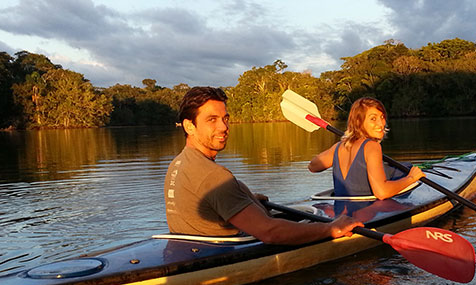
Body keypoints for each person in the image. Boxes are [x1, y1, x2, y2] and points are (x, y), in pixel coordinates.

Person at [164, 86, 362, 244]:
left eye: (225, 118)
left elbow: (214, 196)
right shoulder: (214, 177)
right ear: (189, 125)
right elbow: (270, 232)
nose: (223, 127)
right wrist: (332, 228)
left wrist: (245, 198)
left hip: (189, 244)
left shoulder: (178, 163)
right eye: (212, 120)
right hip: (218, 253)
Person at [308, 97, 425, 200]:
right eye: (373, 119)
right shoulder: (372, 147)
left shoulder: (338, 147)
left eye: (382, 117)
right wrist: (411, 178)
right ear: (358, 122)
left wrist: (344, 142)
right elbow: (382, 193)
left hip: (342, 211)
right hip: (366, 214)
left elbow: (312, 166)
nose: (381, 124)